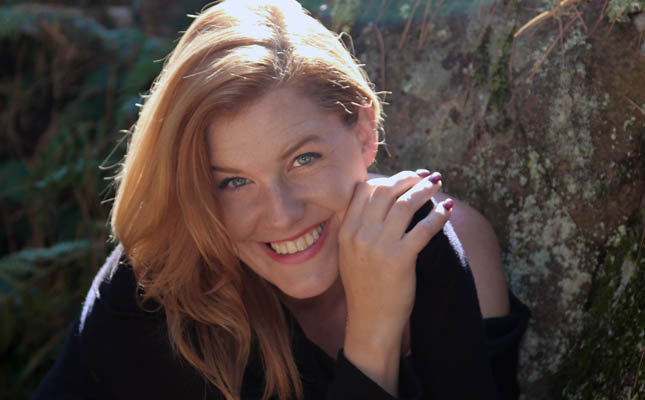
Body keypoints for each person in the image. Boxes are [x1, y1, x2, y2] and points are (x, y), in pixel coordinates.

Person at [33, 0, 529, 399]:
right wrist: (373, 335)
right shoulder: (155, 301)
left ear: (364, 131)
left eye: (303, 159)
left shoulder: (438, 240)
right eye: (233, 182)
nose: (282, 215)